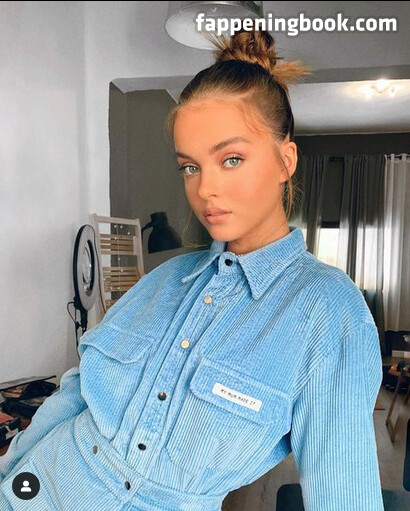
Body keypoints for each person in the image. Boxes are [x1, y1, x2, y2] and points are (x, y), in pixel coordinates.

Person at [0, 27, 384, 511]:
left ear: (286, 160)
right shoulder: (164, 280)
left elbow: (343, 492)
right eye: (190, 166)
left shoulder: (327, 313)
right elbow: (75, 395)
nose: (204, 190)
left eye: (232, 159)